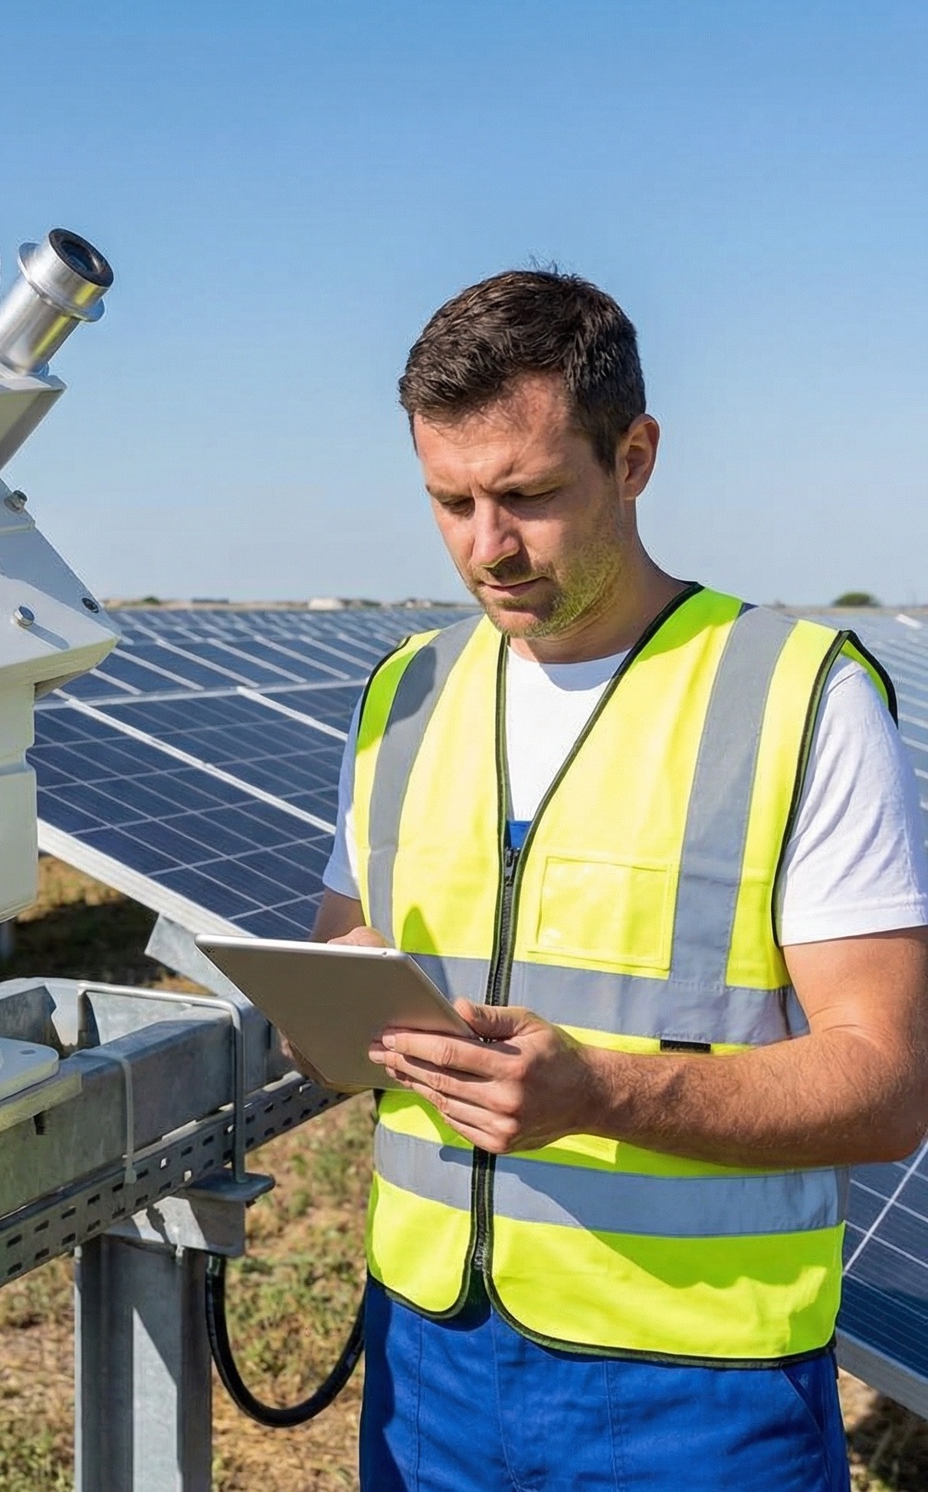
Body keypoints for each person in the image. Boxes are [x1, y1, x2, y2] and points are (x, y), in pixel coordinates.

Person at [308, 269, 928, 1491]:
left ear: (634, 456)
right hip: (428, 1359)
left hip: (697, 1392)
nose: (487, 547)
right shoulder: (406, 694)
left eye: (528, 496)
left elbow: (890, 1080)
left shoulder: (799, 695)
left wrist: (598, 1094)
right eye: (449, 500)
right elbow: (342, 976)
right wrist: (333, 1009)